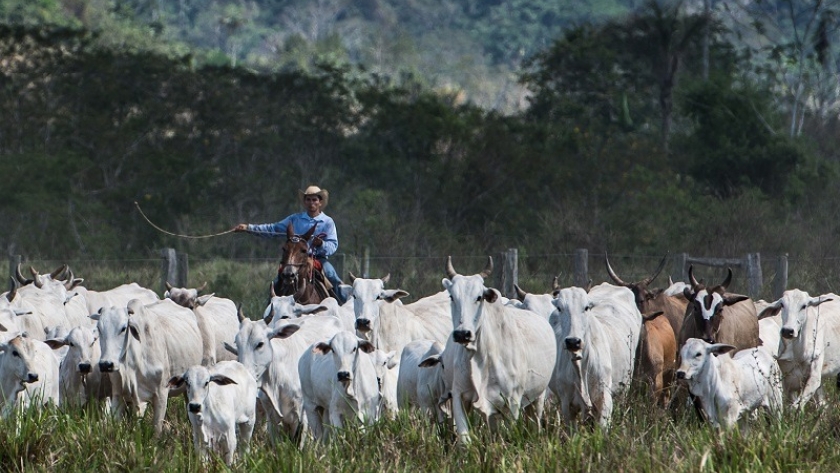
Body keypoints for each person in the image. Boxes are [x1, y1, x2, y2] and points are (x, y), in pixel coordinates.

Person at [233, 185, 345, 303]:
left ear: (320, 202)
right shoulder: (294, 219)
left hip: (318, 259)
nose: (311, 202)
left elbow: (333, 245)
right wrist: (248, 228)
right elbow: (272, 229)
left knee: (332, 276)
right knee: (277, 281)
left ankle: (343, 306)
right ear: (304, 202)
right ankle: (270, 311)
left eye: (314, 199)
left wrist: (321, 244)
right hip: (295, 258)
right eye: (308, 199)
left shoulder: (328, 222)